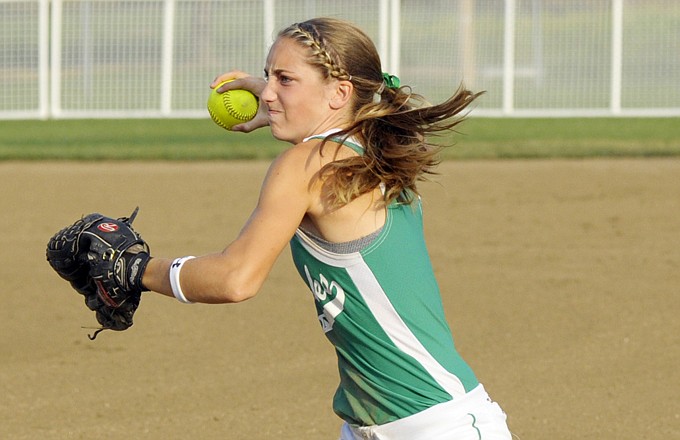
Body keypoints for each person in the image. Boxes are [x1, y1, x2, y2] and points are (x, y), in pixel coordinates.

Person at [141, 17, 512, 440]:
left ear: (339, 93)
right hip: (391, 425)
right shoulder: (370, 146)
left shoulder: (308, 164)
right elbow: (336, 113)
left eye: (285, 79)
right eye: (267, 77)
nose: (269, 92)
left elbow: (235, 279)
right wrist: (283, 99)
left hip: (434, 429)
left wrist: (138, 270)